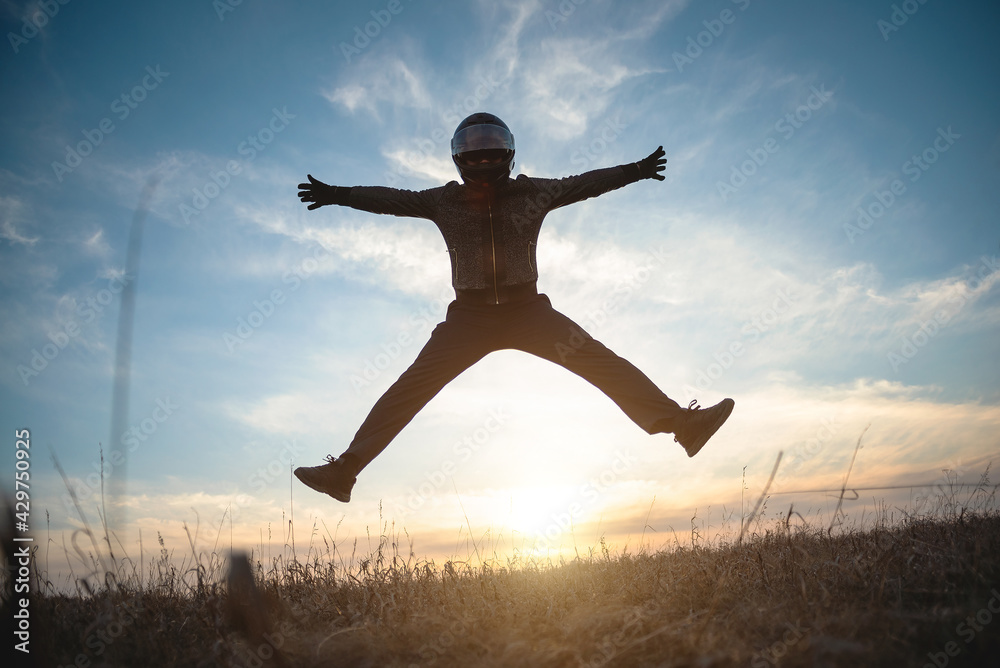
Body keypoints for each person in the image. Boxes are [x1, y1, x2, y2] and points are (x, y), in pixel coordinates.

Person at [294, 112, 734, 503]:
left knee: (602, 362)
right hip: (469, 319)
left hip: (529, 313)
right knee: (409, 388)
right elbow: (389, 198)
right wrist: (338, 194)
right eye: (472, 149)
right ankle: (344, 472)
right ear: (458, 158)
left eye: (490, 147)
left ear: (507, 152)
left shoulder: (533, 194)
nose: (482, 156)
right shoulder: (442, 200)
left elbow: (586, 183)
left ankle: (683, 425)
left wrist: (635, 170)